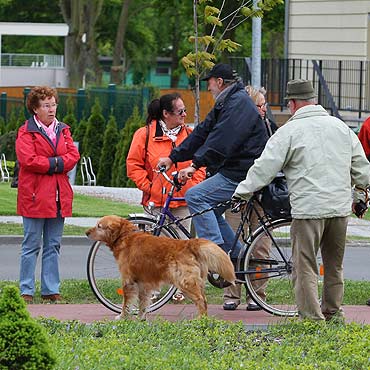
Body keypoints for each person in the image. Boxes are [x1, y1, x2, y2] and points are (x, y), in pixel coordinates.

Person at [232, 79, 370, 321]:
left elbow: (264, 167)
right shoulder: (341, 128)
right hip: (338, 210)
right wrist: (359, 196)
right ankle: (333, 312)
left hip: (308, 210)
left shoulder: (289, 132)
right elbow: (362, 168)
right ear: (314, 100)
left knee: (304, 266)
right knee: (334, 265)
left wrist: (242, 192)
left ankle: (311, 318)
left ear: (293, 103)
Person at [158, 63, 268, 272]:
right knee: (212, 213)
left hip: (242, 172)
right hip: (236, 169)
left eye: (209, 83)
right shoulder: (227, 102)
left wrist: (195, 165)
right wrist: (173, 157)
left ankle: (215, 255)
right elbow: (202, 132)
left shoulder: (238, 104)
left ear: (219, 82)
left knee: (196, 197)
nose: (208, 88)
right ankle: (239, 254)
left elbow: (221, 141)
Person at [126, 93, 205, 301]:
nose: (184, 114)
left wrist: (192, 187)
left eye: (185, 110)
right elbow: (133, 166)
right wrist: (150, 186)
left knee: (181, 247)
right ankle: (156, 290)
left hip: (182, 201)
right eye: (180, 111)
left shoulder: (189, 134)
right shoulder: (145, 135)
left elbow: (201, 165)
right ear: (166, 114)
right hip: (157, 201)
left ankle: (179, 289)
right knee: (156, 251)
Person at [16, 86, 80, 303]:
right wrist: (57, 164)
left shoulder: (64, 130)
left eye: (53, 104)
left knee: (53, 244)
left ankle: (50, 289)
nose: (51, 109)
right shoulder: (26, 132)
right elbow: (29, 160)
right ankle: (26, 290)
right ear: (35, 108)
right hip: (34, 197)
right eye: (46, 105)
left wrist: (52, 163)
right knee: (31, 244)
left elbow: (73, 155)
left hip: (59, 197)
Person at [223, 85, 275, 311]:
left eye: (265, 105)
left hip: (262, 196)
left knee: (260, 247)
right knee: (234, 243)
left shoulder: (271, 129)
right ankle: (232, 293)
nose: (263, 110)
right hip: (236, 194)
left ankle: (257, 294)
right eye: (259, 106)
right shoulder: (233, 130)